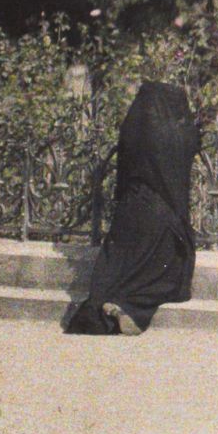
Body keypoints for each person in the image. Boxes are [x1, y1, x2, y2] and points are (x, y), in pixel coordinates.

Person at [63, 81, 200, 336]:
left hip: (130, 210)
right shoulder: (180, 134)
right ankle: (128, 304)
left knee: (117, 262)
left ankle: (104, 300)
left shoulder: (136, 126)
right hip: (165, 218)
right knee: (171, 268)